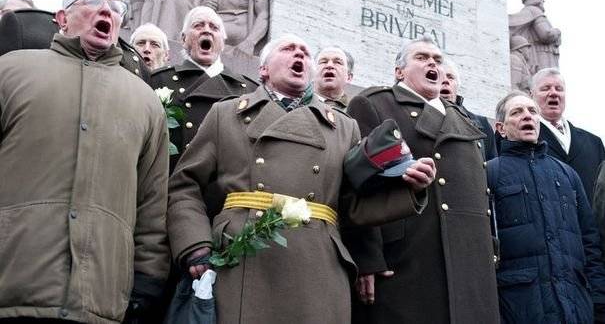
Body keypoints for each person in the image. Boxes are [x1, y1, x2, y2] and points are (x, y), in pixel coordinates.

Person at [165, 33, 437, 324]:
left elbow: (352, 207)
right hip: (241, 258)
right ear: (264, 69)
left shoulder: (345, 128)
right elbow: (185, 186)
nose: (300, 55)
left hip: (318, 268)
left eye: (306, 52)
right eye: (288, 48)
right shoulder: (227, 113)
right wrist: (195, 245)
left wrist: (410, 189)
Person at [0, 0, 170, 323]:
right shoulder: (9, 72)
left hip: (99, 301)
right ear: (62, 18)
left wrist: (147, 282)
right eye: (93, 1)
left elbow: (152, 205)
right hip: (12, 285)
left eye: (116, 7)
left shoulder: (147, 103)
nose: (106, 10)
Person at [345, 35, 499, 323]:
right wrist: (366, 259)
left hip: (470, 261)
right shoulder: (375, 104)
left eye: (437, 60)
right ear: (399, 71)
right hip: (405, 258)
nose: (432, 63)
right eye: (421, 57)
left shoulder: (464, 120)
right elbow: (354, 185)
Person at [490, 91, 605, 323]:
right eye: (517, 112)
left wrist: (598, 300)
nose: (527, 117)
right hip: (519, 308)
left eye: (532, 111)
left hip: (574, 306)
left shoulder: (567, 174)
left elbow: (589, 241)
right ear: (501, 128)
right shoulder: (489, 173)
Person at [150, 6, 258, 173]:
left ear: (222, 42)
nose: (206, 31)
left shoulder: (249, 90)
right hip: (171, 185)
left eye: (214, 28)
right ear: (183, 39)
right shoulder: (159, 80)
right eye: (198, 25)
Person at [531, 67, 605, 203]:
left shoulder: (594, 143)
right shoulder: (524, 140)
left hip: (590, 223)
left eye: (559, 89)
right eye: (545, 88)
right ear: (532, 95)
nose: (553, 93)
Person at [440, 58, 497, 160]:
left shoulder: (482, 124)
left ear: (457, 85)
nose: (445, 81)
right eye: (439, 76)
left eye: (450, 77)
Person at [509, 0, 561, 71]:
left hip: (538, 54)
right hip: (542, 56)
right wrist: (557, 31)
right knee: (546, 79)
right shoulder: (535, 11)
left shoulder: (529, 11)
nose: (543, 0)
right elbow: (546, 35)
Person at [313, 45, 354, 111]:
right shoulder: (297, 103)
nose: (329, 65)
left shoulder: (354, 112)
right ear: (313, 73)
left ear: (348, 77)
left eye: (338, 62)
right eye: (323, 62)